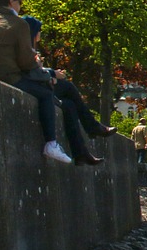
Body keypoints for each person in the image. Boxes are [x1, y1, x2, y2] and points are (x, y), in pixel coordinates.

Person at [0, 0, 92, 165]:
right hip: (4, 76)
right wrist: (46, 73)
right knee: (45, 94)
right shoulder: (17, 24)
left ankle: (87, 134)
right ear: (11, 1)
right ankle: (51, 143)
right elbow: (26, 62)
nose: (20, 4)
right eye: (19, 0)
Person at [23, 15, 117, 150]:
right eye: (39, 30)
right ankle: (92, 127)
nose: (40, 33)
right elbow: (32, 72)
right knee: (68, 87)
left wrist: (49, 75)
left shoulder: (29, 49)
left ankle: (81, 153)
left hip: (42, 83)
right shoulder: (27, 50)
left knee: (69, 105)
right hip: (39, 87)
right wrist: (51, 74)